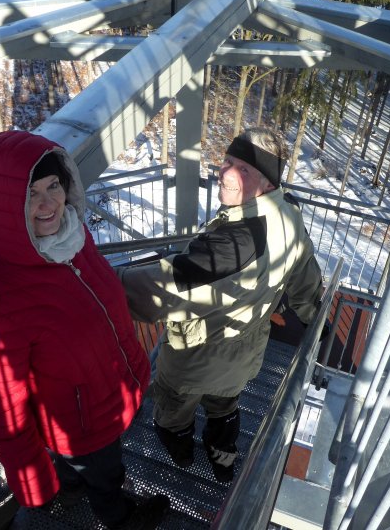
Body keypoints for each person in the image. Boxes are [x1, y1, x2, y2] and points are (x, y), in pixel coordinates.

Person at [0, 130, 169, 529]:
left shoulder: (72, 237)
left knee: (88, 470)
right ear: (2, 207)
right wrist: (31, 480)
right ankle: (120, 519)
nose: (48, 202)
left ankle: (70, 485)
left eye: (54, 185)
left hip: (112, 394)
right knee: (107, 478)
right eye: (30, 194)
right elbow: (3, 407)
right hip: (82, 427)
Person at [119, 126, 323, 482]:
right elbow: (307, 278)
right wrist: (311, 322)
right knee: (224, 405)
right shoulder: (289, 217)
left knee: (172, 411)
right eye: (227, 161)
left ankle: (180, 454)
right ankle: (223, 460)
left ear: (268, 183)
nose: (226, 172)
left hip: (194, 360)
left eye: (244, 170)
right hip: (246, 354)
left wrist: (96, 283)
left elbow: (159, 290)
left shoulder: (236, 245)